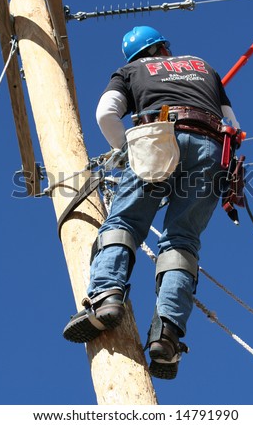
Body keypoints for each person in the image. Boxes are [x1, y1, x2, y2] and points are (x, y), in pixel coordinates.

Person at [63, 26, 240, 380]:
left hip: (157, 138)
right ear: (161, 47)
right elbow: (233, 125)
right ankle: (168, 334)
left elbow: (105, 114)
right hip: (211, 148)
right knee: (182, 240)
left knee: (124, 223)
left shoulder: (129, 72)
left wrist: (127, 151)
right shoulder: (203, 66)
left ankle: (106, 297)